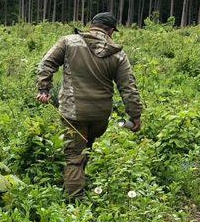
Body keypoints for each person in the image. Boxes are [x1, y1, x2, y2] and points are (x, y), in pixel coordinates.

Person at [35, 11, 143, 198]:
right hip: (100, 115)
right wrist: (135, 116)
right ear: (110, 31)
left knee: (74, 157)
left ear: (92, 25)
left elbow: (47, 63)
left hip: (73, 111)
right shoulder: (118, 54)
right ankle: (79, 183)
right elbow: (128, 88)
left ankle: (75, 201)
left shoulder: (68, 42)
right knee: (86, 145)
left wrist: (44, 89)